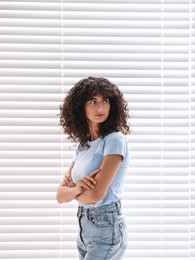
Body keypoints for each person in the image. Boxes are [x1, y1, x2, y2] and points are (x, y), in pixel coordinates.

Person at [56, 76, 130, 259]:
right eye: (93, 101)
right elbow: (60, 195)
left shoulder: (114, 140)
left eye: (105, 100)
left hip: (106, 226)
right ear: (80, 107)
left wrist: (73, 190)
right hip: (84, 227)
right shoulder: (84, 145)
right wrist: (79, 189)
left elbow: (96, 195)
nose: (100, 107)